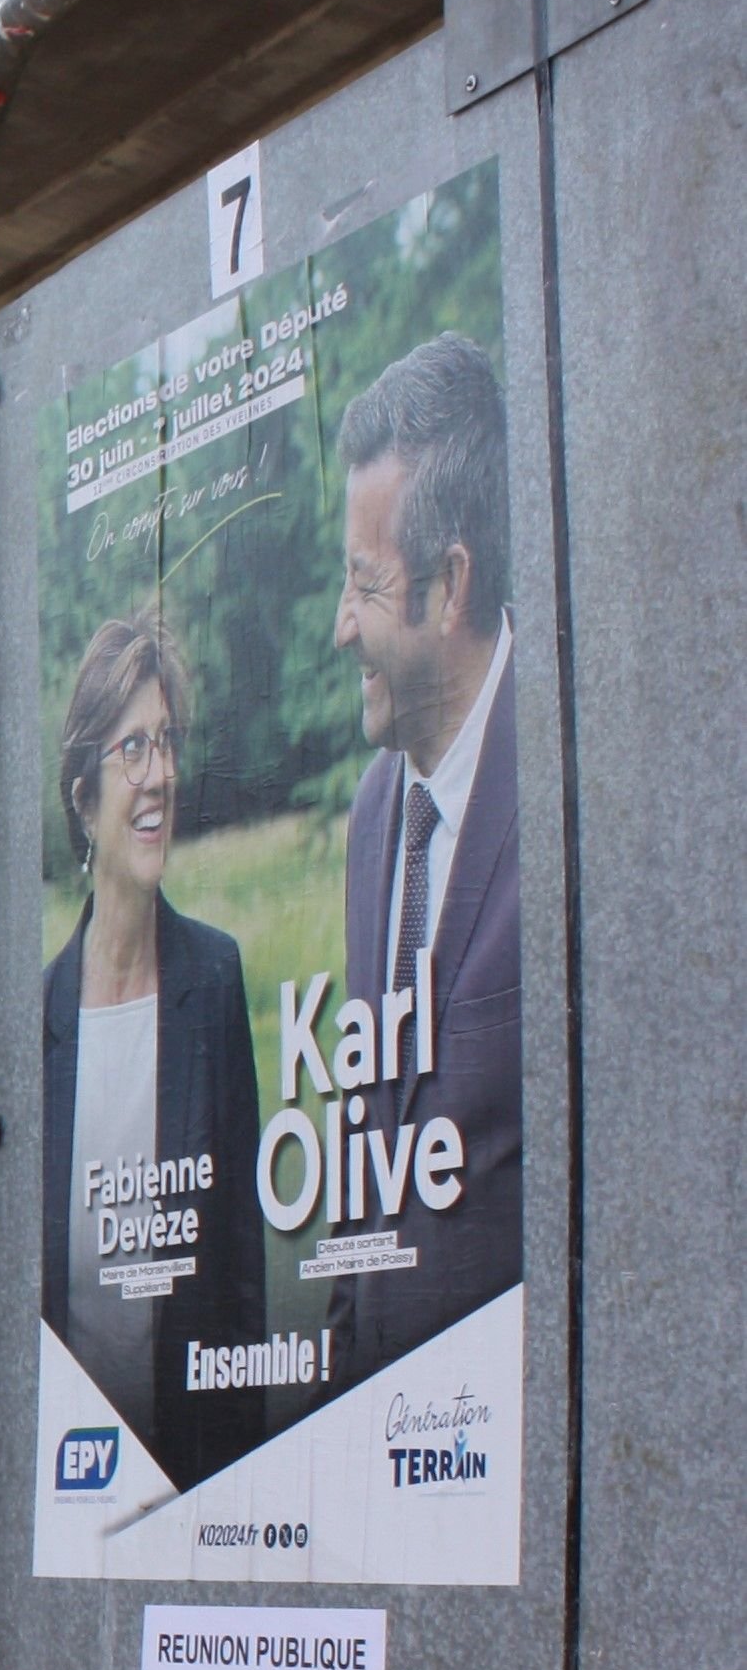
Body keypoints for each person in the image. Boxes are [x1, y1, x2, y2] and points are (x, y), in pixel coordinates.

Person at [328, 328, 520, 1386]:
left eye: (363, 583)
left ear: (449, 589)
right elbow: (370, 1160)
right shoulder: (373, 817)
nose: (339, 626)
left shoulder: (577, 776)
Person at [38, 614, 265, 1483]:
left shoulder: (212, 980)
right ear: (83, 797)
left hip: (194, 1479)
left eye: (165, 744)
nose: (161, 774)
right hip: (69, 1492)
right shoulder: (40, 1016)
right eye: (133, 748)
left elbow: (243, 1283)